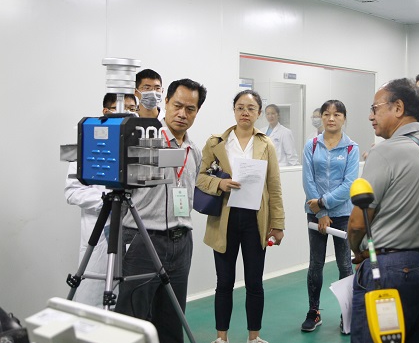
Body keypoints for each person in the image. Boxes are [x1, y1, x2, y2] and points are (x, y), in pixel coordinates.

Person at [348, 78, 419, 343]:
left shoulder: (384, 153)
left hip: (393, 270)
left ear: (398, 108)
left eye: (375, 108)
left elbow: (358, 223)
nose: (371, 116)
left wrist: (356, 249)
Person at [114, 79, 206, 343]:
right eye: (177, 106)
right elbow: (122, 194)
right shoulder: (144, 141)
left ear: (197, 112)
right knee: (133, 319)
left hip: (181, 242)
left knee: (171, 320)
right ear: (165, 103)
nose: (182, 114)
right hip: (143, 240)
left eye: (190, 109)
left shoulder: (193, 151)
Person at [198, 90, 285, 343]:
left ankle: (253, 337)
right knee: (224, 282)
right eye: (240, 107)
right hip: (223, 219)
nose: (245, 112)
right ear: (234, 110)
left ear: (259, 113)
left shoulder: (266, 144)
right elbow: (200, 177)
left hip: (255, 221)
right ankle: (221, 337)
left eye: (250, 108)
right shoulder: (216, 143)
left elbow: (274, 186)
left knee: (254, 282)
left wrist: (278, 224)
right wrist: (219, 184)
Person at [64, 93, 136, 307]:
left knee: (131, 300)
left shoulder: (138, 145)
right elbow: (72, 191)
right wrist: (107, 202)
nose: (128, 113)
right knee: (95, 299)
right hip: (100, 231)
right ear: (106, 112)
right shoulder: (87, 142)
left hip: (133, 231)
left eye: (133, 109)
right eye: (122, 107)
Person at [301, 100, 359, 333]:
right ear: (322, 117)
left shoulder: (351, 148)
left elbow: (349, 184)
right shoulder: (312, 145)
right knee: (315, 263)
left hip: (343, 214)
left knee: (345, 265)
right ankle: (313, 312)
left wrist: (324, 203)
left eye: (337, 114)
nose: (331, 118)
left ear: (344, 118)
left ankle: (348, 314)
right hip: (315, 214)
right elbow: (308, 180)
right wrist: (321, 212)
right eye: (326, 114)